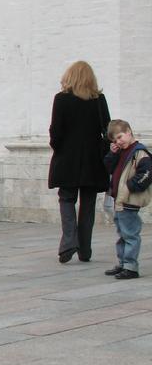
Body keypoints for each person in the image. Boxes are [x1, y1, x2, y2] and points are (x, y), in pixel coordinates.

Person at [47, 61, 110, 264]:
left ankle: (68, 242)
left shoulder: (61, 99)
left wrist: (58, 147)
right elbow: (107, 130)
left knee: (66, 199)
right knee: (88, 204)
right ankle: (85, 249)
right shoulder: (98, 100)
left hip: (67, 158)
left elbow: (56, 132)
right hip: (93, 160)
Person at [103, 119, 152, 280]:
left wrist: (130, 186)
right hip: (119, 200)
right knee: (122, 233)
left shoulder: (139, 152)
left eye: (120, 137)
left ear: (129, 132)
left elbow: (146, 174)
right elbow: (108, 166)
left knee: (130, 234)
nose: (118, 141)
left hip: (129, 200)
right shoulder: (121, 151)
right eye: (115, 140)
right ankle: (123, 263)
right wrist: (112, 153)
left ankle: (131, 267)